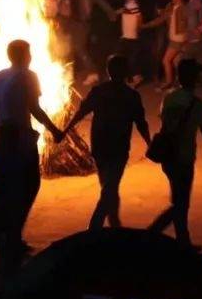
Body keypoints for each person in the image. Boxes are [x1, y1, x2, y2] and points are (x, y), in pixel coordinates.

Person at [0, 39, 64, 298]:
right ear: (23, 55)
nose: (31, 56)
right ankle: (11, 237)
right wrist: (55, 129)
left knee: (0, 189)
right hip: (21, 140)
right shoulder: (28, 76)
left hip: (3, 139)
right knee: (29, 185)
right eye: (29, 52)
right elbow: (34, 109)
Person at [148, 59, 202, 248]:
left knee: (179, 202)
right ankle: (150, 235)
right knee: (180, 205)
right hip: (184, 157)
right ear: (195, 79)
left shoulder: (169, 98)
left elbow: (164, 125)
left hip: (168, 156)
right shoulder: (198, 105)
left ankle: (183, 242)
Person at [64, 54, 151, 230]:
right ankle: (94, 228)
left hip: (100, 147)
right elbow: (141, 123)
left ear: (108, 71)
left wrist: (64, 131)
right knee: (110, 188)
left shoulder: (98, 91)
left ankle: (114, 225)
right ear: (126, 72)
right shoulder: (131, 96)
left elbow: (81, 113)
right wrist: (150, 143)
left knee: (109, 186)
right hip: (118, 147)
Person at [63, 0, 115, 86]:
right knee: (70, 48)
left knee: (80, 48)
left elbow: (100, 1)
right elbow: (65, 0)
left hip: (83, 24)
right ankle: (70, 74)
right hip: (72, 23)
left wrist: (110, 12)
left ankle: (93, 73)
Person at [142, 0, 190, 90]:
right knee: (176, 62)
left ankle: (169, 83)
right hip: (174, 39)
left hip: (179, 39)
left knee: (166, 60)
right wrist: (145, 25)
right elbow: (160, 19)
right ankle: (178, 83)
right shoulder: (171, 7)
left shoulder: (184, 8)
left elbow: (188, 24)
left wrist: (187, 40)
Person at [114, 0, 145, 85]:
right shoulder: (128, 3)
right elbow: (125, 11)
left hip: (131, 37)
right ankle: (129, 78)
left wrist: (138, 30)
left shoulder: (133, 4)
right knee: (125, 58)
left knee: (131, 59)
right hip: (126, 36)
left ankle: (137, 78)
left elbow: (139, 17)